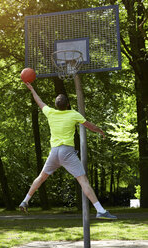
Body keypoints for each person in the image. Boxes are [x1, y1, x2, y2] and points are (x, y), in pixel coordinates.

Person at [19, 82, 117, 219]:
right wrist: (100, 131)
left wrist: (32, 89)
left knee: (41, 177)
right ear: (68, 104)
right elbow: (89, 126)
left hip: (54, 152)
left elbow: (39, 101)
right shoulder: (73, 114)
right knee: (83, 181)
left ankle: (25, 200)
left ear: (56, 105)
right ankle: (100, 210)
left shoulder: (50, 113)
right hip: (67, 152)